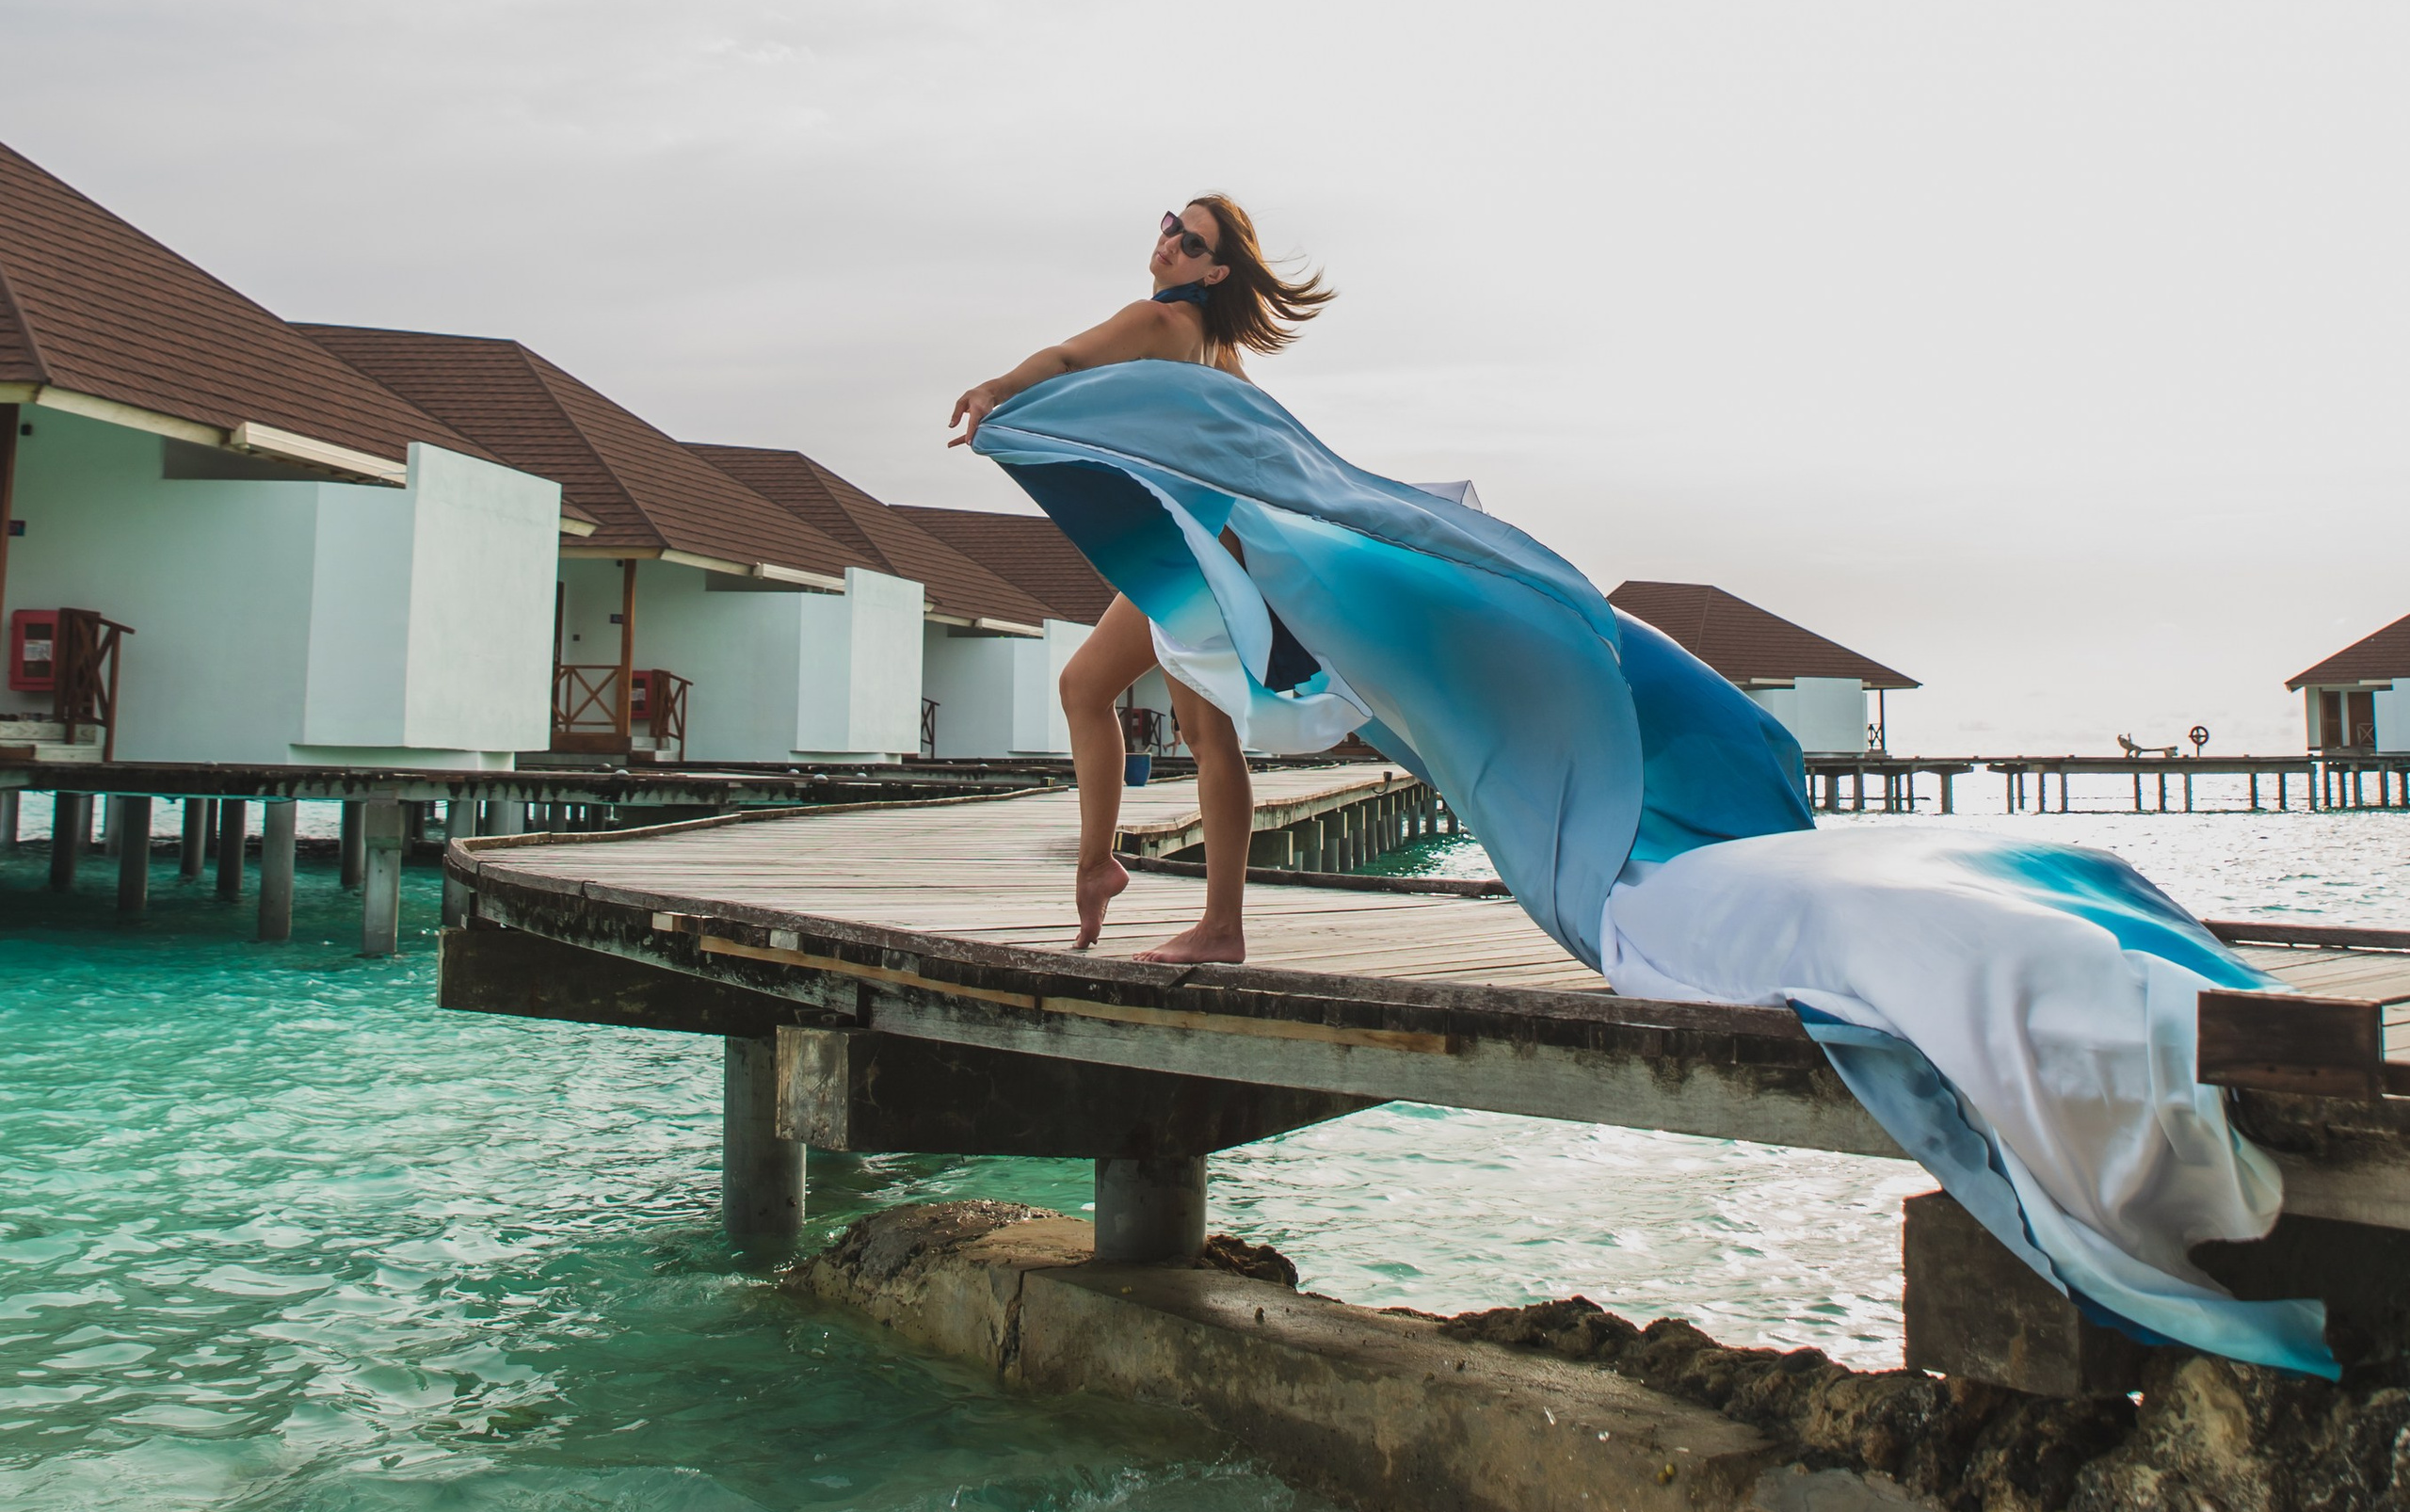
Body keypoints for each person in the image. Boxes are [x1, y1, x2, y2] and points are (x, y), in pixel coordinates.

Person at [966, 314, 2338, 1381]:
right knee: (1166, 698)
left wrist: (1018, 396)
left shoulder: (1173, 341)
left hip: (1603, 847)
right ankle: (1184, 892)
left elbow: (1118, 378)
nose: (1172, 247)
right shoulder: (1208, 382)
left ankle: (1195, 902)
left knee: (1177, 707)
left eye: (1191, 236)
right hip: (1288, 558)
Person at [948, 196, 1333, 960]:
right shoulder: (1219, 351)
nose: (1169, 244)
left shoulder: (1161, 323)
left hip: (1195, 560)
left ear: (1214, 270)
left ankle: (1221, 928)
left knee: (1206, 734)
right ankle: (1098, 867)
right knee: (1087, 686)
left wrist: (996, 388)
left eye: (1190, 243)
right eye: (1169, 226)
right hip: (1196, 553)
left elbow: (1066, 359)